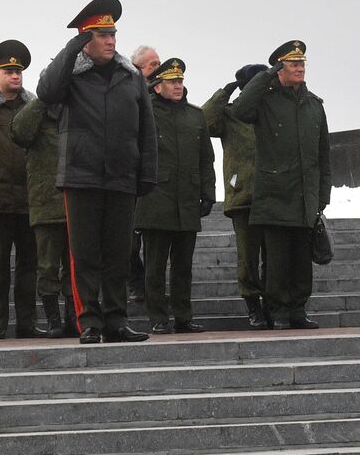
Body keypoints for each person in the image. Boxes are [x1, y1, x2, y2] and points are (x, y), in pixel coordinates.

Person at [35, 0, 155, 344]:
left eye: (113, 34)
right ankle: (89, 320)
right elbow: (46, 92)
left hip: (121, 176)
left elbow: (146, 128)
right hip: (80, 176)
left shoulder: (131, 76)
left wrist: (147, 173)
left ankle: (117, 320)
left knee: (119, 254)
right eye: (102, 35)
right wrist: (71, 48)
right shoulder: (70, 74)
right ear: (86, 39)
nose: (111, 40)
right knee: (84, 255)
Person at [230, 40, 330, 330]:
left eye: (302, 63)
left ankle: (298, 309)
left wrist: (322, 195)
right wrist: (265, 76)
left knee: (301, 261)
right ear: (279, 69)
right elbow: (240, 110)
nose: (299, 68)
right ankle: (279, 311)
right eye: (293, 64)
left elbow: (323, 155)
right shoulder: (266, 101)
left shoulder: (314, 105)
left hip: (304, 196)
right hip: (275, 196)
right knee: (277, 262)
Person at [136, 58, 215, 333]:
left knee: (183, 266)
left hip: (187, 200)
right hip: (155, 199)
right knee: (155, 266)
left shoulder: (195, 116)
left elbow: (206, 159)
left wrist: (208, 193)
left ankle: (183, 316)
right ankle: (158, 317)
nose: (178, 85)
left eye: (180, 81)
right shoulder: (144, 112)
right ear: (158, 86)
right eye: (172, 81)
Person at [0, 40, 38, 339]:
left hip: (30, 198)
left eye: (19, 71)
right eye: (9, 71)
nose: (16, 76)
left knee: (29, 266)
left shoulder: (33, 108)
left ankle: (27, 322)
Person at [203, 64, 269, 328]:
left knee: (275, 257)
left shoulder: (273, 112)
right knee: (248, 258)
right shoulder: (230, 114)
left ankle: (274, 304)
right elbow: (204, 121)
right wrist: (225, 92)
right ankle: (253, 304)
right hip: (243, 197)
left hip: (274, 197)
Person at [10, 91, 74, 338]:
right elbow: (19, 132)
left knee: (74, 267)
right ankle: (53, 321)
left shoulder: (76, 110)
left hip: (76, 203)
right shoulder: (36, 113)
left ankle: (73, 318)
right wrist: (43, 99)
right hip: (46, 204)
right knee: (47, 267)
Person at [127, 45, 161, 303]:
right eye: (153, 65)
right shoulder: (128, 91)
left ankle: (151, 284)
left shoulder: (165, 95)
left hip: (154, 179)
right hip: (128, 176)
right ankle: (136, 283)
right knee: (129, 240)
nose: (158, 69)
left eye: (159, 63)